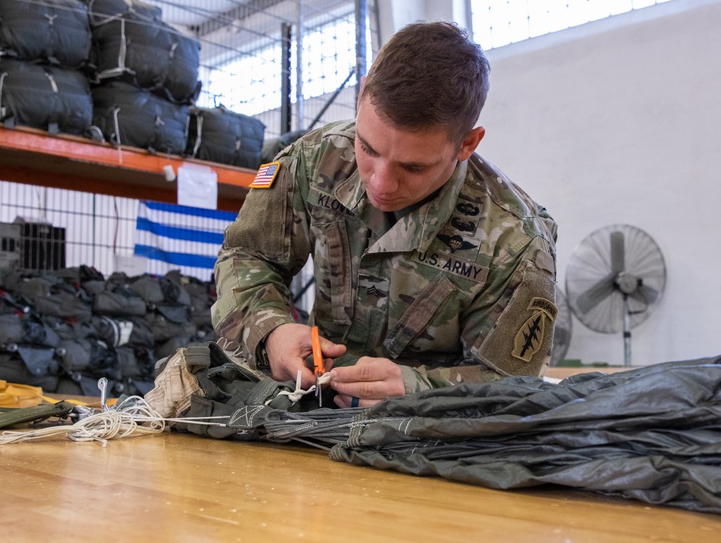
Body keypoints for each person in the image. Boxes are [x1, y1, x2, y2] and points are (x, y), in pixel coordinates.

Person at [211, 21, 558, 408]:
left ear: (467, 143)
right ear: (361, 96)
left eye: (413, 168)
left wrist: (417, 391)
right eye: (368, 148)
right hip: (310, 412)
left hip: (426, 446)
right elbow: (247, 255)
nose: (381, 182)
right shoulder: (314, 161)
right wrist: (271, 331)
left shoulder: (517, 241)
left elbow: (512, 385)